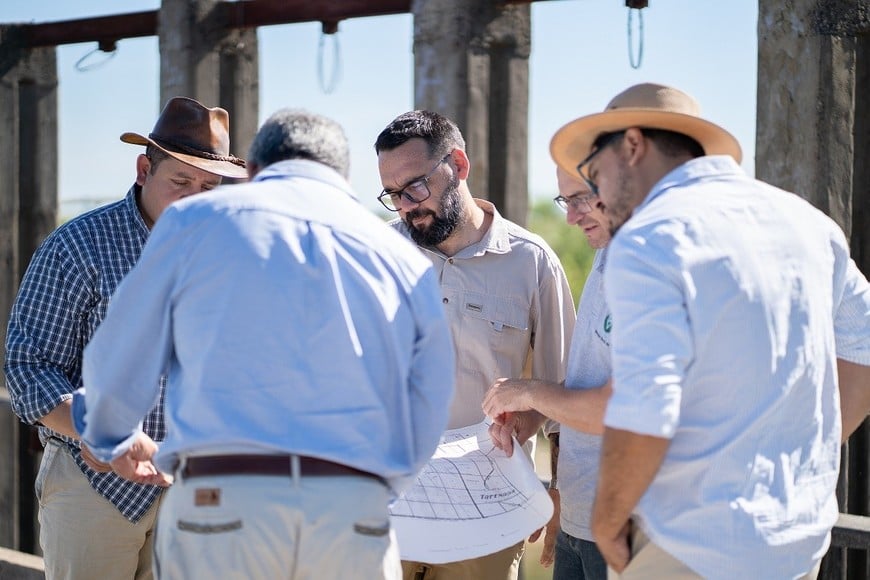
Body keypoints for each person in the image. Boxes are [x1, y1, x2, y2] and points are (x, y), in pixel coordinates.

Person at [72, 108, 455, 580]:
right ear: (341, 175)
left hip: (224, 501)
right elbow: (430, 399)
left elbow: (122, 354)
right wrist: (374, 487)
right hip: (353, 510)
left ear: (253, 170)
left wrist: (111, 435)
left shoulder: (193, 223)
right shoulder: (400, 257)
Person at [548, 82, 870, 579]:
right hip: (797, 541)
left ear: (632, 146)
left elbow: (644, 404)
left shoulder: (650, 236)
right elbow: (862, 347)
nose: (598, 197)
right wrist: (814, 457)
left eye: (594, 174)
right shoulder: (811, 224)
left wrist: (609, 521)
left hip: (688, 543)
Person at [4, 96, 247, 580]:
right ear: (143, 169)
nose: (194, 198)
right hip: (91, 486)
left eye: (209, 186)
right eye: (180, 181)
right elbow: (26, 366)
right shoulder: (77, 245)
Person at [375, 110, 576, 580]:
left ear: (458, 165)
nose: (405, 206)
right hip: (388, 505)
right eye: (392, 195)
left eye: (415, 188)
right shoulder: (376, 257)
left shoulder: (533, 264)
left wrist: (561, 492)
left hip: (489, 510)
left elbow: (564, 395)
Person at [482, 166, 614, 580]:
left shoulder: (662, 264)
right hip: (580, 516)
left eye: (580, 198)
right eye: (566, 201)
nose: (571, 217)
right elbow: (582, 386)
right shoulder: (607, 251)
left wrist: (530, 393)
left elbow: (624, 405)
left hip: (624, 528)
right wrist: (560, 490)